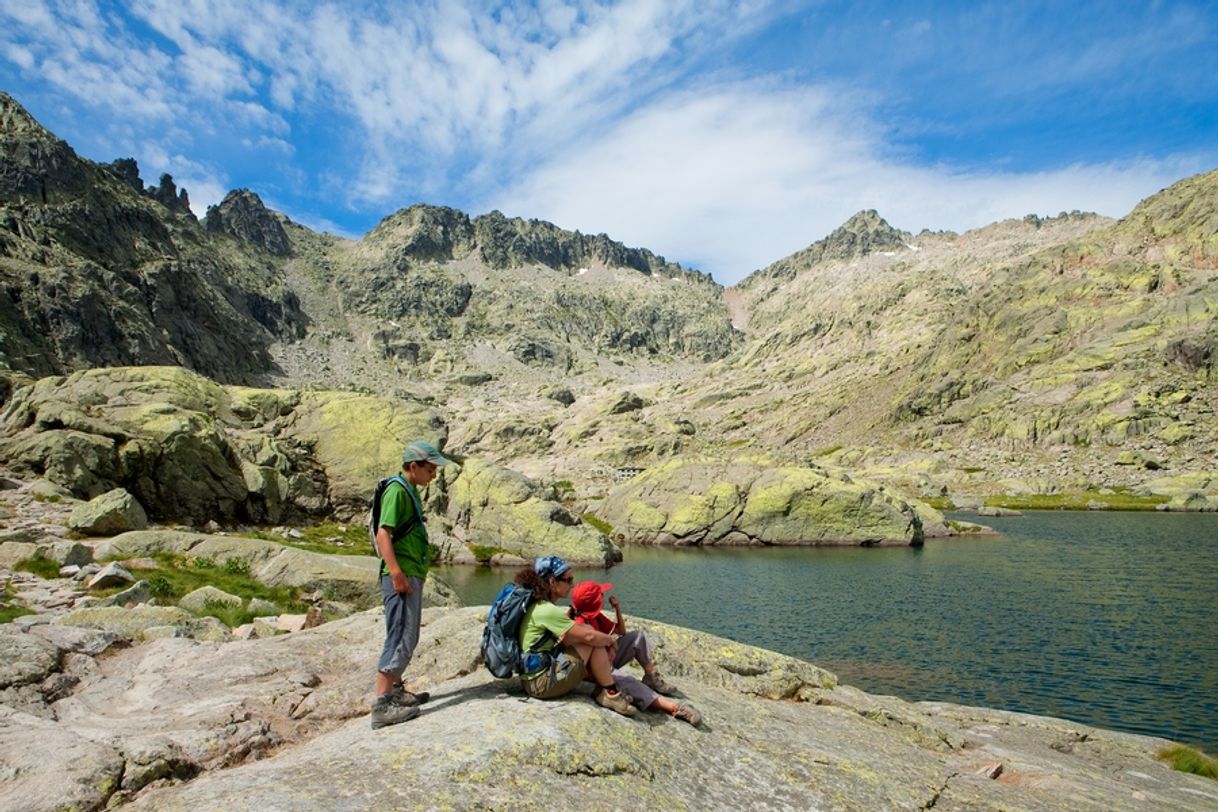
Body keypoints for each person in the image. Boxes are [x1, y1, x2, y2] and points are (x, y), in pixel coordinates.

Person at [370, 439, 451, 730]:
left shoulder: (410, 491)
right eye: (431, 468)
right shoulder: (397, 491)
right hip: (401, 573)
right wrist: (396, 572)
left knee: (407, 632)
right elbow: (383, 534)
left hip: (409, 572)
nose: (434, 474)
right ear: (413, 466)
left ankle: (396, 690)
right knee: (401, 634)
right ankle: (382, 704)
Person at [515, 555, 636, 716]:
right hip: (541, 684)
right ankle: (610, 693)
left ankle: (607, 690)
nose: (572, 586)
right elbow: (589, 638)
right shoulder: (546, 610)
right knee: (590, 640)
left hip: (535, 678)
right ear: (552, 582)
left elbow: (574, 635)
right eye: (568, 580)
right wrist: (610, 640)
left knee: (585, 631)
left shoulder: (537, 605)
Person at [569, 581, 701, 726]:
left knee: (637, 637)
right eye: (600, 595)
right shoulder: (578, 624)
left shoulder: (595, 617)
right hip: (597, 671)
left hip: (608, 658)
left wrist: (617, 608)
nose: (603, 596)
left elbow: (621, 631)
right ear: (594, 602)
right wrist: (609, 644)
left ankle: (651, 676)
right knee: (630, 682)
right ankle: (674, 708)